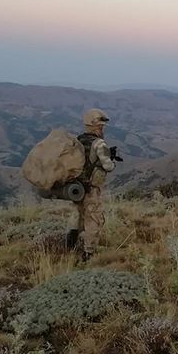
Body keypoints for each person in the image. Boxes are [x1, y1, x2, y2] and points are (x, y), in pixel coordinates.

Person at [66, 108, 120, 262]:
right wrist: (111, 159)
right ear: (95, 126)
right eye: (100, 126)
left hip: (76, 187)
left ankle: (69, 246)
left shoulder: (78, 140)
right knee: (94, 218)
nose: (102, 129)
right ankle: (88, 253)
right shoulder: (99, 143)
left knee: (76, 215)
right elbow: (108, 166)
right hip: (91, 189)